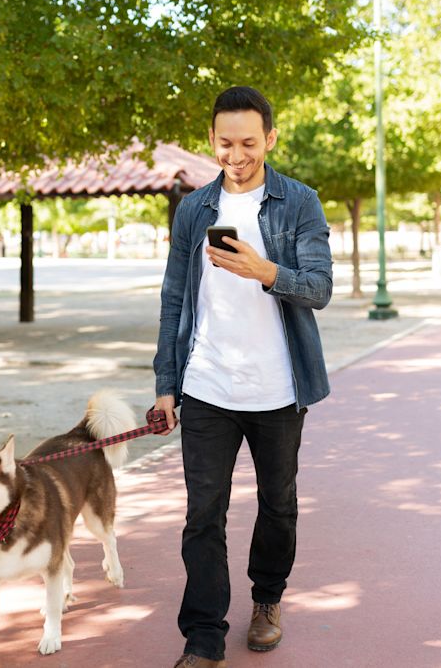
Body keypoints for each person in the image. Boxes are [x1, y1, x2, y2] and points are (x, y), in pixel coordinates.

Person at [153, 86, 333, 668]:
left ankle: (267, 599)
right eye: (225, 142)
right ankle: (203, 636)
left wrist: (266, 270)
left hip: (279, 389)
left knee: (278, 505)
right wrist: (165, 383)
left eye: (249, 142)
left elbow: (321, 287)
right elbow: (174, 299)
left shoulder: (299, 202)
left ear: (270, 139)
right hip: (207, 385)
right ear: (212, 140)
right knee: (203, 512)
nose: (236, 154)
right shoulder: (193, 210)